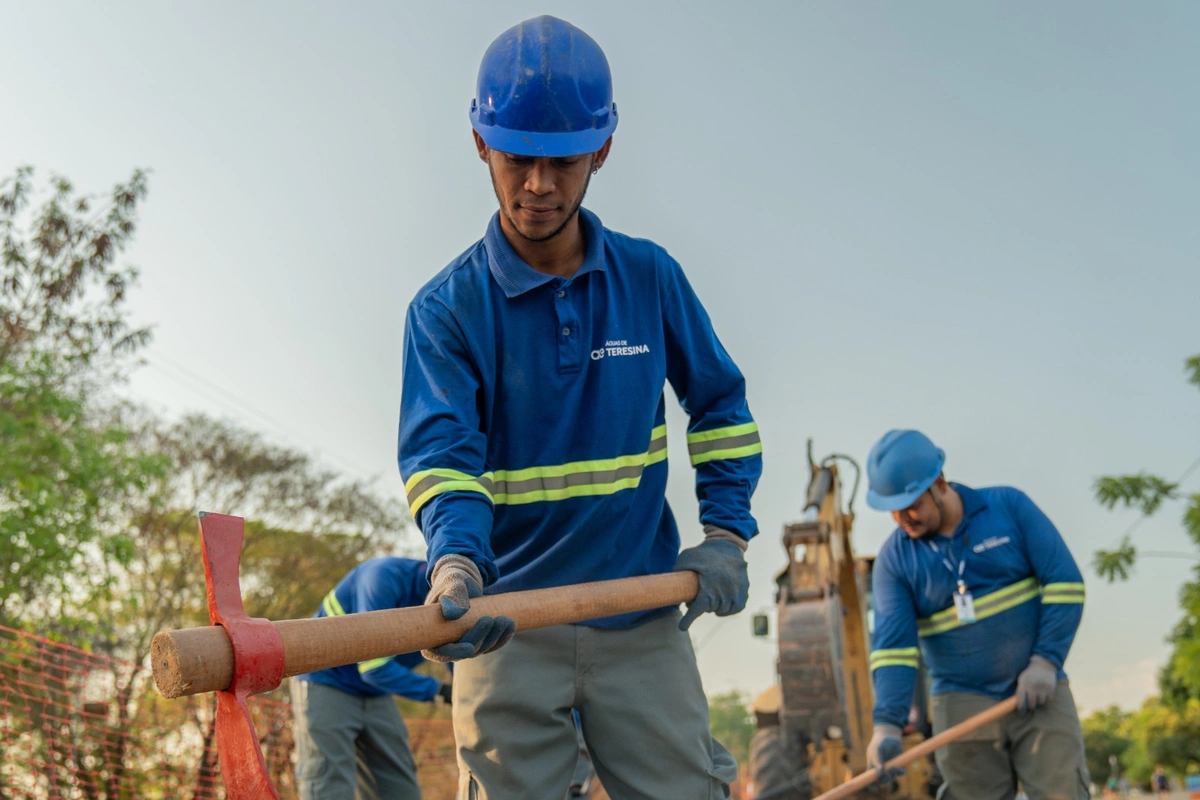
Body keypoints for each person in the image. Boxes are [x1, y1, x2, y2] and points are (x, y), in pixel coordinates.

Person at [398, 15, 761, 799]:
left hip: (640, 615)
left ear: (600, 152)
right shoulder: (446, 312)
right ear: (479, 144)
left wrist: (726, 534)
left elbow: (722, 405)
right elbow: (442, 458)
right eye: (517, 157)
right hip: (506, 626)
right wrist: (456, 562)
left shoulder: (650, 279)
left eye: (562, 162)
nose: (537, 185)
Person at [862, 430, 1088, 799]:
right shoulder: (895, 561)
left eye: (911, 504)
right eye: (893, 509)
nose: (903, 518)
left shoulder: (1009, 508)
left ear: (939, 483)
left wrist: (1046, 662)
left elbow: (1065, 584)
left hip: (1039, 690)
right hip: (961, 702)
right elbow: (894, 651)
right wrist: (886, 726)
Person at [291, 557, 452, 800]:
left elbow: (454, 653)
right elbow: (373, 666)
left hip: (375, 693)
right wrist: (439, 691)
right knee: (329, 784)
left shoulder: (457, 598)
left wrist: (464, 692)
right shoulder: (382, 578)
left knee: (400, 787)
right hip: (326, 681)